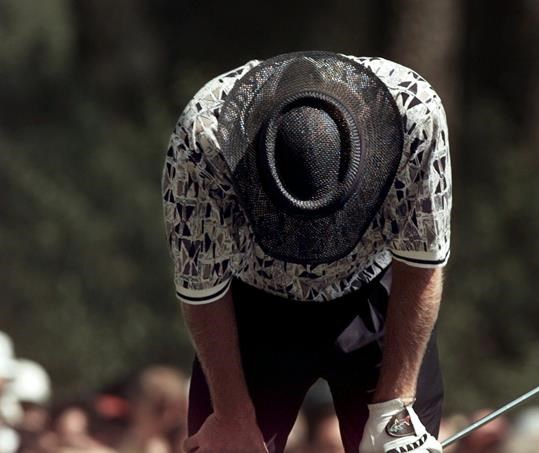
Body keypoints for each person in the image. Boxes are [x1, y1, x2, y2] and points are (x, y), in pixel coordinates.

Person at [162, 51, 452, 453]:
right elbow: (201, 286)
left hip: (376, 298)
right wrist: (231, 416)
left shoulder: (415, 115)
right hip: (255, 303)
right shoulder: (204, 138)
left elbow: (421, 264)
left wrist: (395, 411)